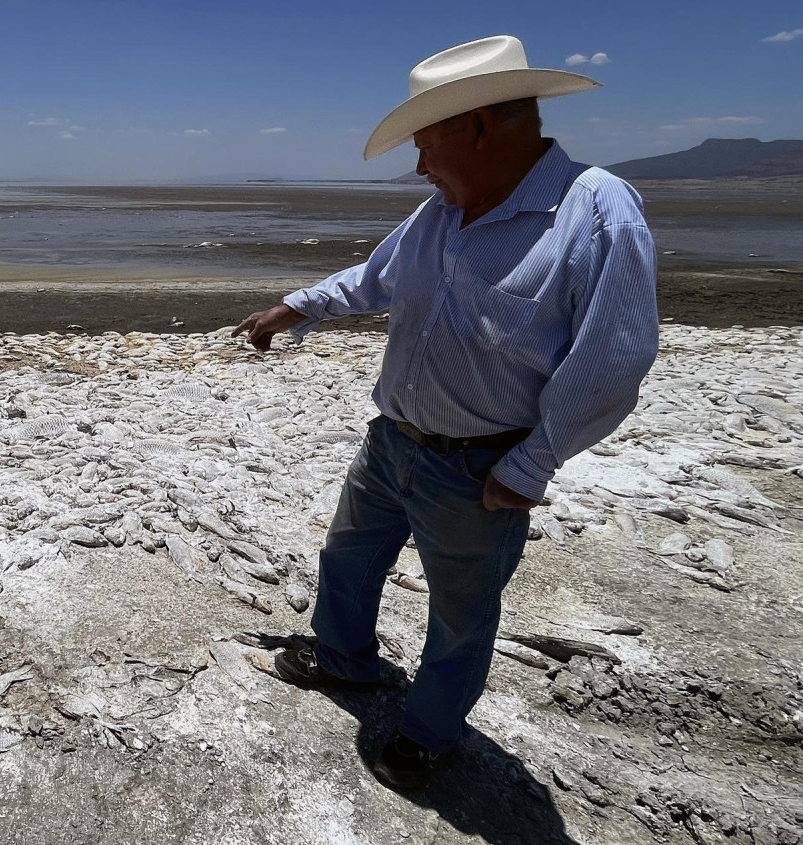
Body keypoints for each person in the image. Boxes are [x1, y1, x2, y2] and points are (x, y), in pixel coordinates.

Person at [233, 35, 658, 790]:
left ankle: (429, 730)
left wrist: (530, 466)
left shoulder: (595, 212)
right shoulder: (438, 215)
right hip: (392, 441)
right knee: (349, 559)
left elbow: (611, 358)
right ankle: (343, 660)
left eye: (427, 145)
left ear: (483, 126)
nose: (421, 165)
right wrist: (295, 306)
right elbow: (375, 279)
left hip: (480, 468)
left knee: (462, 613)